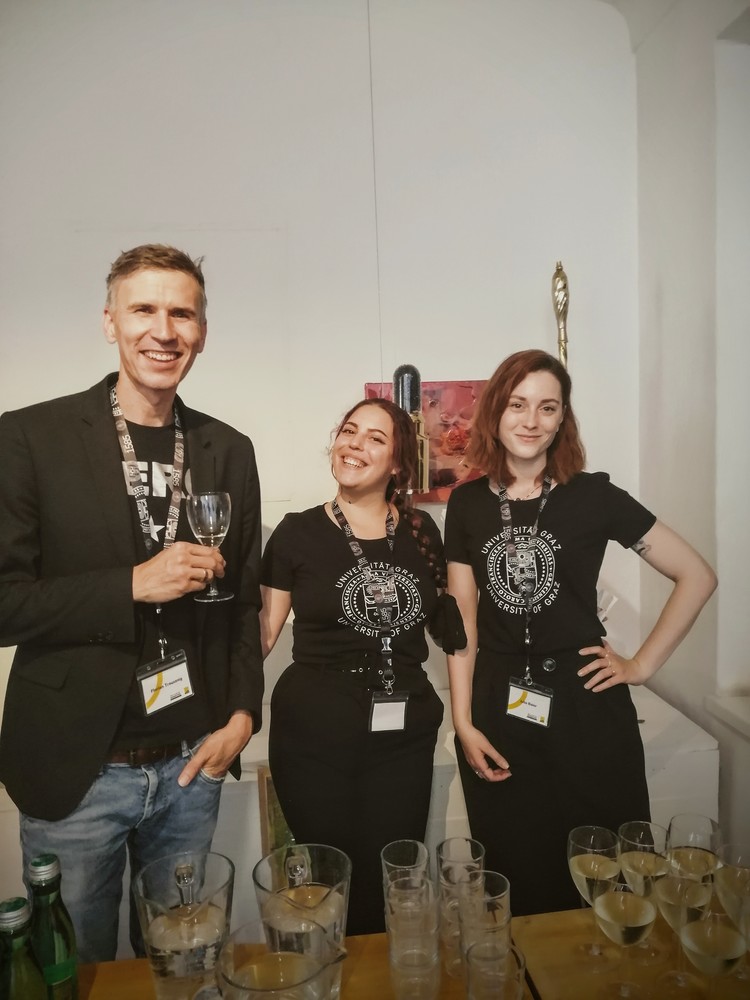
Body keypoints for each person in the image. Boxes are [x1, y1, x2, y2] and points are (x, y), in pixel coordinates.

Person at [0, 244, 264, 961]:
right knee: (76, 972)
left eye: (183, 313)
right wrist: (130, 584)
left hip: (191, 765)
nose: (164, 331)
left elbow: (242, 603)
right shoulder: (30, 437)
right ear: (109, 321)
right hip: (79, 771)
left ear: (202, 330)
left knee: (184, 965)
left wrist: (242, 715)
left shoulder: (228, 447)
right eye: (144, 309)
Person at [445, 349, 717, 916]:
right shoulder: (467, 503)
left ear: (562, 418)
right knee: (517, 875)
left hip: (586, 704)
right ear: (495, 411)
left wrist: (640, 666)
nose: (531, 420)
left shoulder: (593, 495)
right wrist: (463, 721)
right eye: (517, 404)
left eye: (548, 408)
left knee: (611, 876)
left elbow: (697, 575)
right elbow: (462, 619)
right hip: (499, 704)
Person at [259, 398, 459, 935]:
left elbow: (453, 629)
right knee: (331, 882)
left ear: (397, 463)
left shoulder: (422, 532)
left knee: (392, 879)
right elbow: (263, 635)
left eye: (375, 438)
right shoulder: (297, 532)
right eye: (349, 431)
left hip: (402, 736)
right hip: (314, 734)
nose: (355, 444)